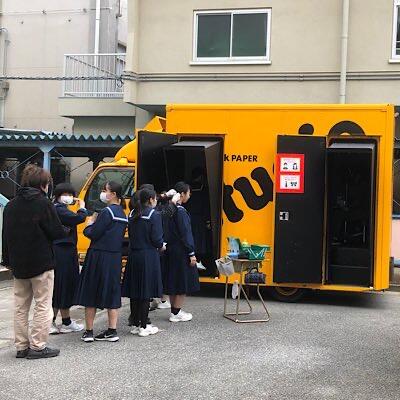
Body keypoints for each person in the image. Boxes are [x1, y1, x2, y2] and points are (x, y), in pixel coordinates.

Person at [1, 164, 67, 359]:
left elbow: (5, 236)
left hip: (19, 264)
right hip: (41, 263)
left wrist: (8, 260)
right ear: (43, 184)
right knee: (42, 305)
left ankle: (21, 346)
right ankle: (38, 346)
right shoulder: (43, 203)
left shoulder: (11, 205)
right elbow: (56, 232)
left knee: (20, 307)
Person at [76, 181, 127, 342]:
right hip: (114, 257)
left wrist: (89, 224)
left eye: (105, 190)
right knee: (112, 291)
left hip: (98, 255)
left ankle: (89, 331)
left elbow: (93, 233)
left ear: (114, 194)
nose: (103, 193)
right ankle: (112, 330)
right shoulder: (122, 213)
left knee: (91, 291)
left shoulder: (106, 212)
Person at [122, 188, 165, 337]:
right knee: (145, 291)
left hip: (134, 254)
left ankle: (135, 324)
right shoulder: (154, 214)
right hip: (148, 255)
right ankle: (144, 326)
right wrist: (162, 245)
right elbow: (157, 239)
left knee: (135, 291)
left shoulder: (132, 213)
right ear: (151, 199)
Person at [49, 183, 87, 335]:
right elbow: (79, 218)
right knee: (60, 286)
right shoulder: (58, 209)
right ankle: (50, 321)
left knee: (64, 287)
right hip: (62, 251)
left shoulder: (60, 209)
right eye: (65, 194)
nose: (69, 197)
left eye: (70, 194)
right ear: (58, 195)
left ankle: (66, 321)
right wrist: (82, 208)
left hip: (66, 250)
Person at [165, 181, 200, 322]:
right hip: (181, 250)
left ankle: (174, 310)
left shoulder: (168, 210)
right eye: (188, 193)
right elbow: (186, 233)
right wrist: (191, 253)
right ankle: (176, 312)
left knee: (173, 280)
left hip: (170, 249)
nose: (189, 196)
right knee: (182, 281)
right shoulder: (181, 211)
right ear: (182, 194)